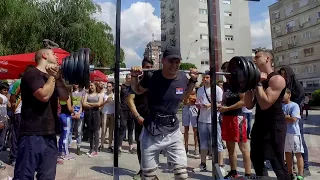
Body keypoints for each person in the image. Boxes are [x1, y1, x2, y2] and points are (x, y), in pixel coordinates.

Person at [130, 46, 198, 180]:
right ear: (163, 61)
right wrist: (134, 76)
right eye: (171, 61)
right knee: (148, 176)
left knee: (182, 175)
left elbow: (185, 96)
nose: (174, 65)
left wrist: (193, 81)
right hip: (152, 131)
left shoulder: (183, 78)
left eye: (177, 62)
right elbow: (137, 90)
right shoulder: (151, 77)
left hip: (172, 131)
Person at [13, 48, 69, 180]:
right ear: (44, 55)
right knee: (23, 176)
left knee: (47, 177)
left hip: (49, 135)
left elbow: (64, 98)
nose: (56, 57)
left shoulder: (52, 78)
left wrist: (58, 78)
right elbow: (44, 95)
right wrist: (51, 77)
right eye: (53, 54)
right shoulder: (31, 74)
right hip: (31, 135)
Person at [244, 49, 290, 179]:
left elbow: (265, 104)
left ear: (267, 59)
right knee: (257, 159)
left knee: (277, 163)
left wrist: (258, 84)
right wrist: (248, 85)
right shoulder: (257, 79)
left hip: (274, 125)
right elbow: (248, 105)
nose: (254, 59)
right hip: (259, 124)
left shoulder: (276, 79)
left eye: (257, 57)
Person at [220, 61, 251, 178]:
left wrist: (227, 108)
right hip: (227, 118)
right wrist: (222, 105)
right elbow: (225, 99)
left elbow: (243, 102)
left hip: (237, 118)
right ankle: (233, 172)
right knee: (230, 147)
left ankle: (248, 173)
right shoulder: (226, 85)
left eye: (227, 72)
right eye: (224, 73)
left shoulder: (240, 84)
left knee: (243, 147)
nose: (226, 75)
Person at [279, 66, 311, 176]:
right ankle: (290, 168)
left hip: (296, 120)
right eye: (281, 74)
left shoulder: (297, 86)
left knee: (300, 143)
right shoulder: (283, 86)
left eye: (285, 74)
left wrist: (292, 114)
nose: (283, 76)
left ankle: (305, 167)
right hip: (285, 122)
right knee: (287, 148)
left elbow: (300, 102)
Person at [127, 57, 153, 179]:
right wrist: (137, 116)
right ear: (142, 68)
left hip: (153, 118)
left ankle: (150, 171)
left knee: (152, 146)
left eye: (150, 68)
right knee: (141, 145)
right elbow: (130, 100)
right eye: (146, 68)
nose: (149, 70)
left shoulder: (154, 82)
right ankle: (142, 170)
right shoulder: (136, 83)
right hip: (140, 118)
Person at [194, 73, 225, 173]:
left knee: (218, 143)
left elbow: (220, 103)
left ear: (212, 79)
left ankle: (220, 165)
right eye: (203, 78)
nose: (205, 79)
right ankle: (203, 164)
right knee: (203, 143)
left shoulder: (217, 89)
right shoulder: (199, 89)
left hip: (214, 120)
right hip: (202, 120)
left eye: (207, 77)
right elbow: (198, 102)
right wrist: (198, 105)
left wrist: (210, 105)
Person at [9, 65, 35, 166]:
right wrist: (14, 107)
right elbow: (13, 97)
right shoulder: (19, 82)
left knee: (27, 136)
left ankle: (23, 156)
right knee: (16, 134)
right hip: (19, 112)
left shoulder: (35, 83)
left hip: (31, 113)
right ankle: (14, 157)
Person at [282, 89, 304, 180]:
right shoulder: (281, 106)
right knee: (287, 153)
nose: (282, 96)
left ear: (289, 94)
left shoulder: (294, 105)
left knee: (298, 153)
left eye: (283, 94)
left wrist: (286, 117)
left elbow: (294, 119)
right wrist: (286, 117)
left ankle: (300, 174)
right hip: (284, 133)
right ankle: (290, 172)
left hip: (294, 133)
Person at [82, 82, 103, 157]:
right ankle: (91, 149)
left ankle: (96, 150)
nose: (90, 87)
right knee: (90, 132)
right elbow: (84, 104)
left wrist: (89, 104)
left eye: (92, 85)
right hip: (88, 113)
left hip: (96, 113)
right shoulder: (87, 94)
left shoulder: (99, 94)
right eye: (90, 85)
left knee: (96, 132)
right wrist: (93, 104)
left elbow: (99, 104)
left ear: (95, 86)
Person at [119, 74, 136, 156]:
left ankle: (130, 147)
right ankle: (119, 147)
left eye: (130, 78)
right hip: (123, 109)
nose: (129, 79)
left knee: (131, 129)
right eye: (128, 78)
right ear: (126, 78)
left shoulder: (133, 87)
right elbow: (118, 98)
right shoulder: (122, 87)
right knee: (122, 127)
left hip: (131, 110)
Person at [182, 88, 198, 156]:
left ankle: (196, 147)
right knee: (186, 128)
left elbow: (197, 97)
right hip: (186, 107)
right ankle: (186, 147)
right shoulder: (183, 86)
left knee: (195, 129)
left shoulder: (195, 87)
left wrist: (191, 96)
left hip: (193, 107)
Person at [99, 82, 115, 152]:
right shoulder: (103, 94)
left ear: (112, 87)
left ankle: (110, 146)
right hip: (105, 112)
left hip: (112, 113)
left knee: (111, 130)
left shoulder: (114, 95)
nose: (108, 88)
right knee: (103, 130)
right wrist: (106, 101)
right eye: (107, 86)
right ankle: (101, 144)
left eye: (110, 86)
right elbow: (100, 104)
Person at [70, 84, 85, 155]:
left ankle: (78, 147)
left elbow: (82, 103)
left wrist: (79, 112)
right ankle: (67, 147)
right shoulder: (71, 92)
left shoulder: (82, 92)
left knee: (78, 130)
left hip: (80, 112)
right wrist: (72, 112)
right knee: (70, 130)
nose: (76, 85)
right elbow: (70, 103)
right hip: (72, 112)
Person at [0, 81, 9, 170]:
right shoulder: (2, 97)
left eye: (7, 90)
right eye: (4, 90)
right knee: (0, 142)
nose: (5, 91)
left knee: (1, 142)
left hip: (4, 121)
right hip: (1, 122)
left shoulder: (4, 97)